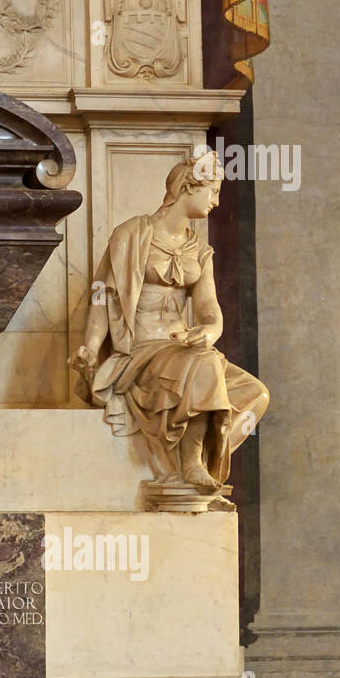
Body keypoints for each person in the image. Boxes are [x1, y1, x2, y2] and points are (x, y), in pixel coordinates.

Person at [69, 151, 268, 491]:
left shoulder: (200, 251)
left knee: (255, 393)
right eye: (213, 191)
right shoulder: (132, 234)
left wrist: (209, 331)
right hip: (140, 350)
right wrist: (89, 346)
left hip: (183, 348)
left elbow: (209, 309)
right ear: (188, 187)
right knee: (204, 365)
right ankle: (189, 463)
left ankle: (205, 461)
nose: (217, 202)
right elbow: (103, 296)